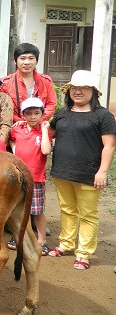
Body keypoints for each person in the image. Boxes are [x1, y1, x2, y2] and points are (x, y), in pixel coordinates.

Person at [47, 70, 116, 270]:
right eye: (74, 88)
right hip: (62, 171)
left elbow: (109, 146)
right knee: (67, 209)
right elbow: (49, 132)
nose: (78, 92)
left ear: (93, 91)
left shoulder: (103, 115)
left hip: (89, 174)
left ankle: (83, 253)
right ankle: (66, 243)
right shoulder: (62, 113)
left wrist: (102, 171)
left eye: (84, 88)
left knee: (87, 214)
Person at [7, 97, 52, 256]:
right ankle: (18, 236)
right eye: (28, 113)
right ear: (23, 115)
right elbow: (11, 140)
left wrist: (45, 130)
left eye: (36, 113)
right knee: (19, 209)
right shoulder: (17, 129)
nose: (33, 117)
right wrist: (15, 150)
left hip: (36, 178)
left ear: (42, 114)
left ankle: (42, 240)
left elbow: (46, 150)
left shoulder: (44, 132)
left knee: (37, 211)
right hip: (19, 177)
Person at [0, 43, 57, 123]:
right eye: (22, 58)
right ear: (15, 61)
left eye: (31, 58)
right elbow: (3, 108)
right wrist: (23, 123)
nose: (27, 62)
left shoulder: (46, 81)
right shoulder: (5, 83)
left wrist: (38, 121)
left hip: (39, 126)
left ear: (36, 61)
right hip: (14, 127)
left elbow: (51, 104)